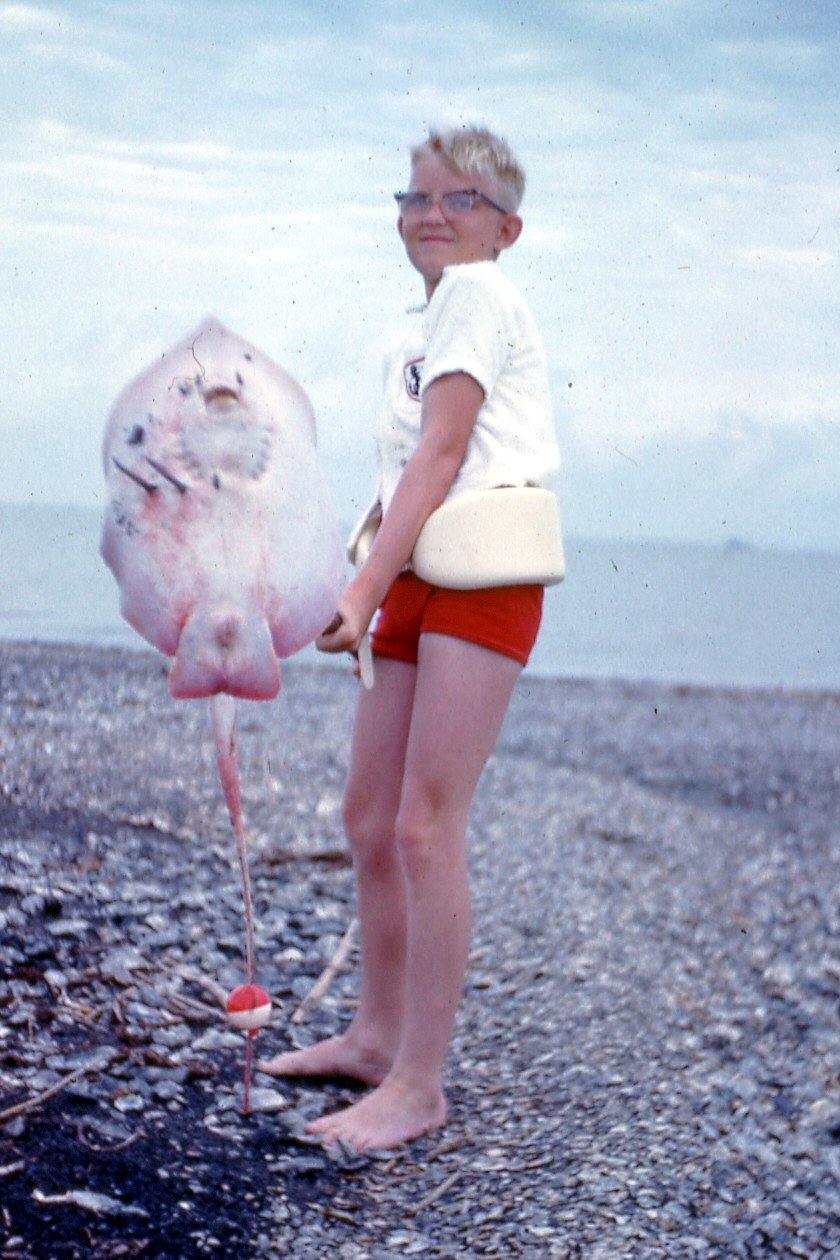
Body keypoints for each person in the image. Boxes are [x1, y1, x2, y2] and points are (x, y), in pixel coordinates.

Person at [258, 125, 560, 1151]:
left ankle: (420, 1085)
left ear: (505, 228)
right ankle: (377, 1038)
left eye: (460, 199)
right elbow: (401, 481)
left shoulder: (479, 295)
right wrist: (369, 580)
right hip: (419, 575)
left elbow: (442, 454)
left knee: (425, 825)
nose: (431, 213)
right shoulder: (418, 324)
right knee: (369, 813)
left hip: (484, 575)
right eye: (415, 196)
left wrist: (362, 586)